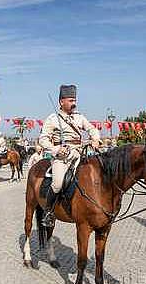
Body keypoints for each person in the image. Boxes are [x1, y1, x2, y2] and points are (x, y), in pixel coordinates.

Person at [39, 84, 101, 226]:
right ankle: (48, 212)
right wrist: (55, 149)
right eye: (71, 100)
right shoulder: (53, 119)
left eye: (75, 100)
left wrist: (95, 138)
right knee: (58, 183)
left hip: (79, 154)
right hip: (62, 157)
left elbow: (91, 128)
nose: (74, 103)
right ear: (62, 102)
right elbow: (43, 139)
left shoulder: (79, 117)